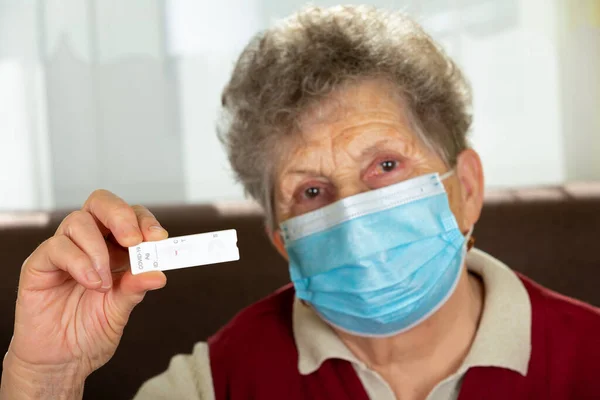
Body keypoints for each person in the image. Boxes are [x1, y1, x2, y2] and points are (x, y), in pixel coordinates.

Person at [1, 5, 599, 400]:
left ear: (467, 187)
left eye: (386, 166)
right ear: (283, 239)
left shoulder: (588, 360)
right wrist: (47, 375)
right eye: (312, 192)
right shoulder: (218, 382)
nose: (355, 214)